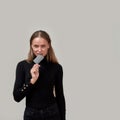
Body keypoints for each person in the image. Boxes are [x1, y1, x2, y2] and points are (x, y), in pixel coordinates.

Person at [13, 30, 66, 120]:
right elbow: (17, 97)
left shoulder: (56, 67)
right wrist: (32, 81)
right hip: (31, 114)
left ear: (48, 45)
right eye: (36, 46)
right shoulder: (22, 65)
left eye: (43, 46)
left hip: (52, 113)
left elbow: (60, 96)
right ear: (31, 46)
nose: (39, 50)